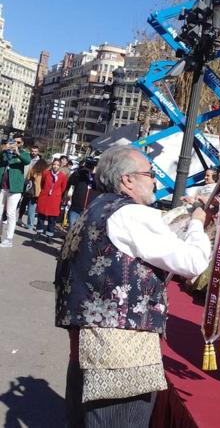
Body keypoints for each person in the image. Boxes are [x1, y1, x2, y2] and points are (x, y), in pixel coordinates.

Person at [54, 145, 211, 427]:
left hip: (86, 347)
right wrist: (198, 224)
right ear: (127, 180)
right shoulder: (132, 215)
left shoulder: (96, 209)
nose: (155, 180)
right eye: (149, 174)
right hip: (122, 354)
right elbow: (193, 262)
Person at [0, 136, 31, 247]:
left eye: (18, 142)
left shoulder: (23, 153)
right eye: (13, 141)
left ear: (21, 143)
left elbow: (27, 161)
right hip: (2, 187)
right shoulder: (4, 152)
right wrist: (3, 148)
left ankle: (9, 239)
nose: (15, 144)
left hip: (15, 189)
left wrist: (17, 152)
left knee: (10, 214)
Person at [35, 158, 68, 243]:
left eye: (57, 165)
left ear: (60, 166)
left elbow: (63, 188)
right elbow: (42, 183)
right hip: (44, 197)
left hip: (55, 199)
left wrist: (57, 194)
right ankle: (38, 233)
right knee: (41, 217)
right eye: (54, 164)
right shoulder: (46, 173)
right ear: (52, 165)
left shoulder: (63, 176)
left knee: (52, 219)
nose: (55, 166)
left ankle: (49, 236)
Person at [64, 158, 99, 228]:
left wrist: (95, 174)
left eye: (93, 165)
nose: (90, 167)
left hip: (90, 210)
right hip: (76, 207)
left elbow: (100, 187)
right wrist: (81, 171)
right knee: (72, 229)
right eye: (89, 165)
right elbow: (69, 183)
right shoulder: (79, 174)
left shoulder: (99, 178)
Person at [20, 158, 49, 231]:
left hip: (30, 192)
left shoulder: (32, 169)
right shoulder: (45, 172)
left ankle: (29, 224)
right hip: (39, 193)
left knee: (29, 208)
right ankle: (33, 225)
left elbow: (27, 180)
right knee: (35, 210)